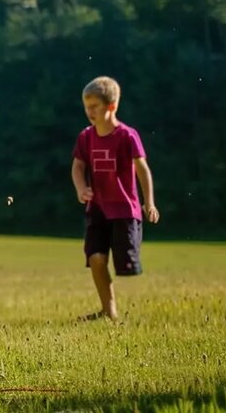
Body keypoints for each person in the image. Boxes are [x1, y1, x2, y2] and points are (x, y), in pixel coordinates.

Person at [71, 76, 159, 322]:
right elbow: (78, 166)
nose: (89, 112)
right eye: (87, 106)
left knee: (127, 267)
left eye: (94, 106)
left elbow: (142, 169)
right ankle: (109, 311)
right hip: (97, 207)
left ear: (111, 106)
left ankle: (118, 306)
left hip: (124, 210)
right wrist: (81, 188)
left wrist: (148, 202)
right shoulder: (86, 137)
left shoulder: (127, 136)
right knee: (95, 257)